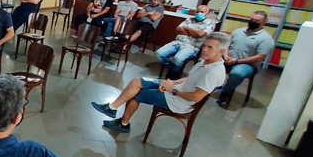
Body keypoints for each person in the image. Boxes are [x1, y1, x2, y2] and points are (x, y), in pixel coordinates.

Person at [92, 32, 229, 133]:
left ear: (222, 51)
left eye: (210, 47)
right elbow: (189, 78)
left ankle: (123, 123)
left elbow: (196, 97)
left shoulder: (213, 71)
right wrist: (172, 82)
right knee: (137, 81)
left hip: (178, 102)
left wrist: (173, 90)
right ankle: (112, 108)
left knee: (135, 93)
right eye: (204, 46)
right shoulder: (205, 62)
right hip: (175, 89)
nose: (204, 50)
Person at [216, 10, 274, 108]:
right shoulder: (238, 31)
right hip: (228, 59)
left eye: (257, 21)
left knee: (237, 73)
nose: (253, 22)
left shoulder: (266, 38)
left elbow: (260, 56)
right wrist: (225, 56)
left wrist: (237, 61)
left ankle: (225, 93)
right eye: (251, 19)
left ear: (265, 22)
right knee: (205, 61)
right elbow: (226, 44)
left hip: (247, 64)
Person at [155, 5, 215, 79]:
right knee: (159, 53)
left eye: (202, 12)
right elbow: (178, 29)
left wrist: (187, 28)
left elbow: (200, 34)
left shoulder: (210, 23)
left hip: (191, 46)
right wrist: (194, 33)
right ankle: (174, 69)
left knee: (178, 58)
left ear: (207, 13)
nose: (199, 13)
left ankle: (174, 73)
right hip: (178, 42)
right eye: (198, 11)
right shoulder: (189, 19)